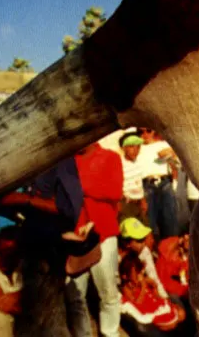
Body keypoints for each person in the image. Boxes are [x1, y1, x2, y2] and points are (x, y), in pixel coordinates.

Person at [0, 157, 86, 337]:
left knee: (50, 319)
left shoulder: (61, 160)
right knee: (33, 317)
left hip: (49, 253)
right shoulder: (31, 161)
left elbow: (69, 209)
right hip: (30, 248)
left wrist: (24, 199)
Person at [70, 143, 123, 337]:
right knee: (75, 295)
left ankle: (110, 332)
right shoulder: (67, 160)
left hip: (104, 234)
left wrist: (79, 185)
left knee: (108, 291)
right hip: (74, 237)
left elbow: (115, 191)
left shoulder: (110, 157)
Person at [118, 256, 185, 336]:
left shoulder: (142, 281)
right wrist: (143, 286)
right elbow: (137, 304)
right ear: (125, 276)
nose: (140, 275)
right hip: (147, 311)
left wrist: (154, 287)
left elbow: (157, 296)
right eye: (137, 273)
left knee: (182, 313)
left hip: (156, 306)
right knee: (172, 324)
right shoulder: (126, 288)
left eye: (140, 272)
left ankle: (177, 328)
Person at [137, 129, 180, 240]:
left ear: (153, 132)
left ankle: (171, 249)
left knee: (170, 219)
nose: (145, 134)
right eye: (141, 132)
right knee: (150, 221)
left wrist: (174, 182)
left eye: (148, 131)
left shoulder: (163, 144)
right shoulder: (137, 148)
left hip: (164, 183)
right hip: (147, 185)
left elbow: (175, 164)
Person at [117, 219, 167, 299]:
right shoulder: (116, 259)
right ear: (127, 244)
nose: (144, 243)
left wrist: (165, 298)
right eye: (139, 240)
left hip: (142, 291)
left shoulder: (144, 251)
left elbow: (153, 277)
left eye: (144, 238)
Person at [118, 134, 148, 224]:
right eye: (131, 147)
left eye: (138, 147)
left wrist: (143, 201)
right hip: (127, 204)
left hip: (138, 203)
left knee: (145, 229)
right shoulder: (119, 163)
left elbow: (139, 183)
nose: (136, 150)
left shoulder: (138, 163)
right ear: (124, 148)